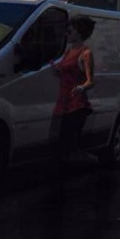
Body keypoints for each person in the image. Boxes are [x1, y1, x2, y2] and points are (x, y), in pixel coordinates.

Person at [52, 15, 96, 161]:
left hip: (77, 105)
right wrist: (55, 69)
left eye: (70, 31)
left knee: (70, 142)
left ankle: (76, 173)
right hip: (64, 102)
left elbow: (91, 81)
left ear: (79, 32)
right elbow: (65, 72)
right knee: (62, 141)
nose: (67, 34)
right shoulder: (68, 52)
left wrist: (81, 88)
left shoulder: (85, 53)